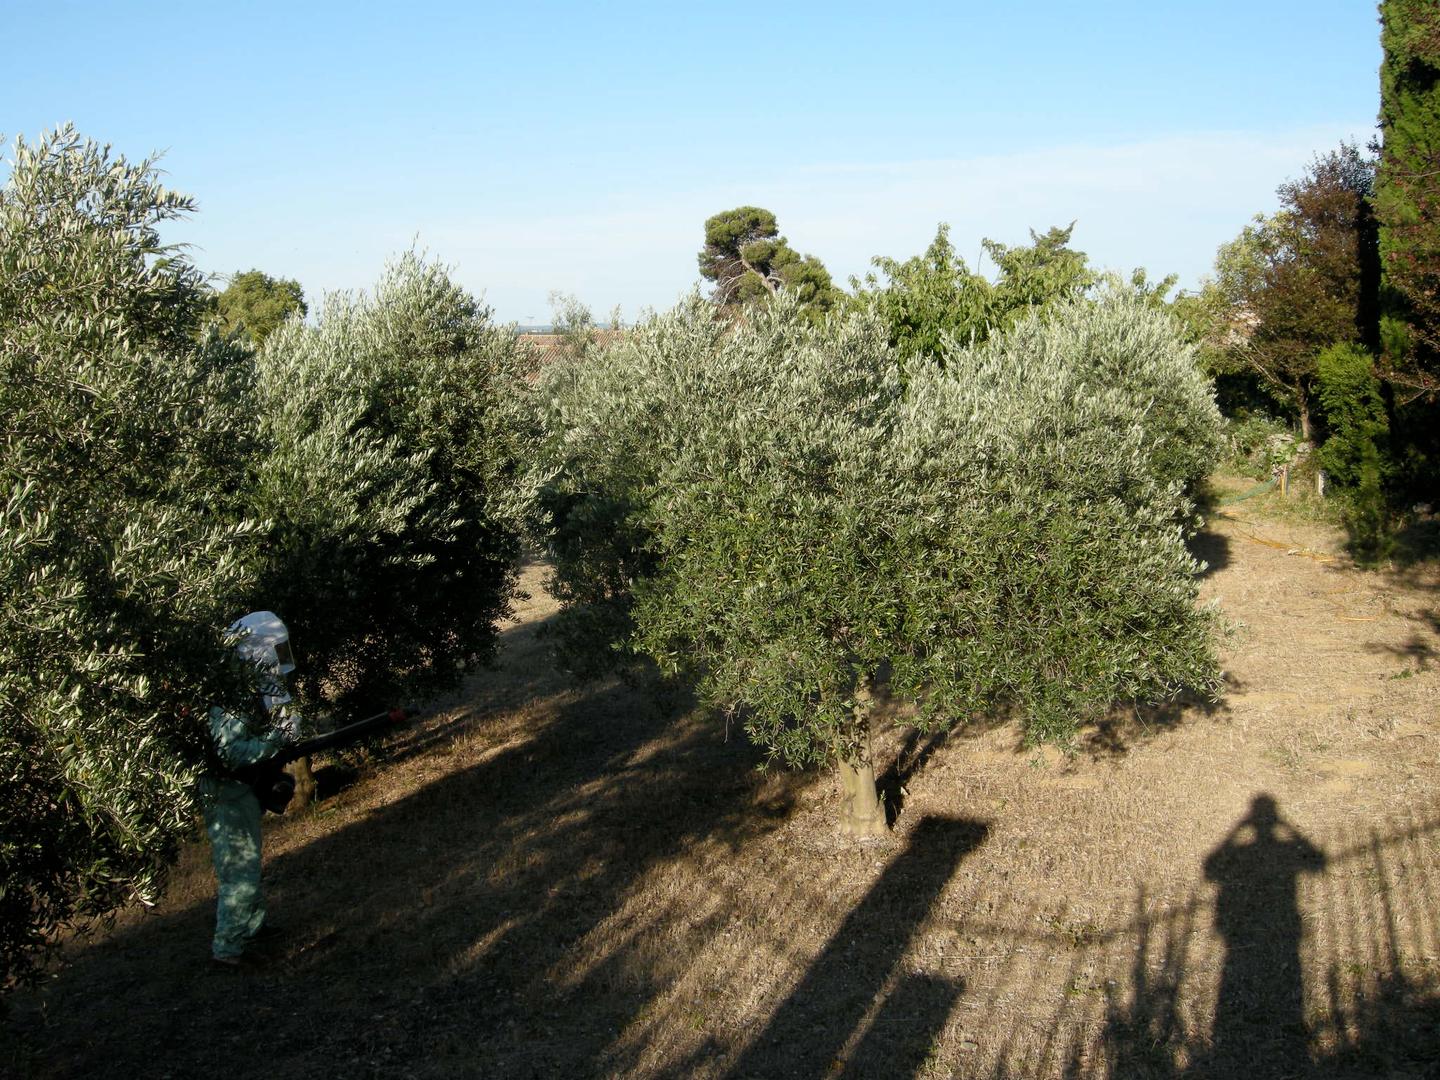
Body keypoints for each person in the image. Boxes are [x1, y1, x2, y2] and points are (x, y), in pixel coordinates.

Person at [199, 610, 304, 968]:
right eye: (275, 649)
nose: (280, 657)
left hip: (239, 792)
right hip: (227, 793)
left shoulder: (245, 689)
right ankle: (228, 949)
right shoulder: (230, 698)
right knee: (239, 870)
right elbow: (230, 753)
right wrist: (275, 740)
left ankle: (252, 928)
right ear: (257, 651)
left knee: (248, 862)